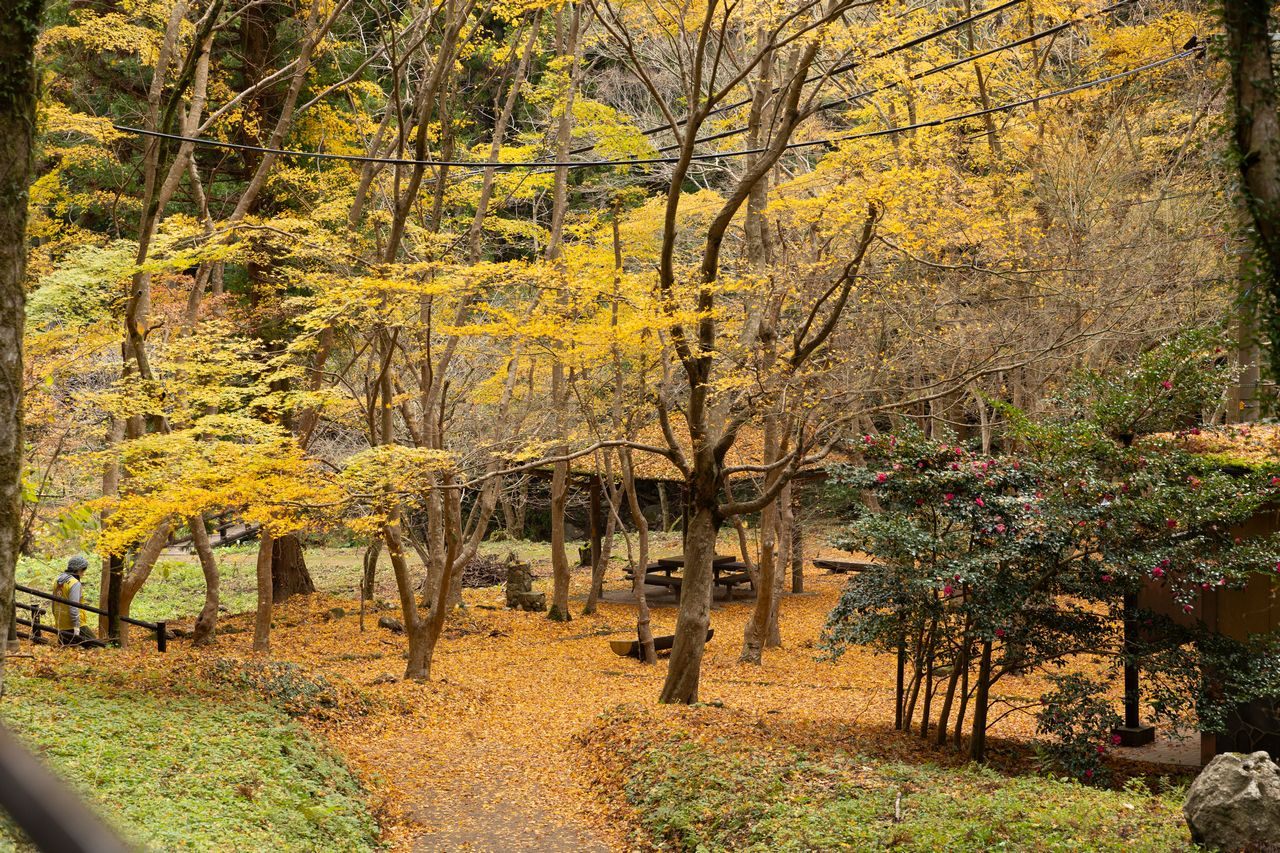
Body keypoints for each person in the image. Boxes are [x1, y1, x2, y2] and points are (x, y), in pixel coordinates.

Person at [53, 556, 98, 647]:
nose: (83, 574)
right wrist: (76, 626)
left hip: (61, 622)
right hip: (75, 623)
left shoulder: (57, 580)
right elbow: (74, 606)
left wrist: (56, 618)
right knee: (96, 646)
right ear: (79, 569)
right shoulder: (74, 583)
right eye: (83, 570)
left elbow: (53, 602)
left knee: (67, 649)